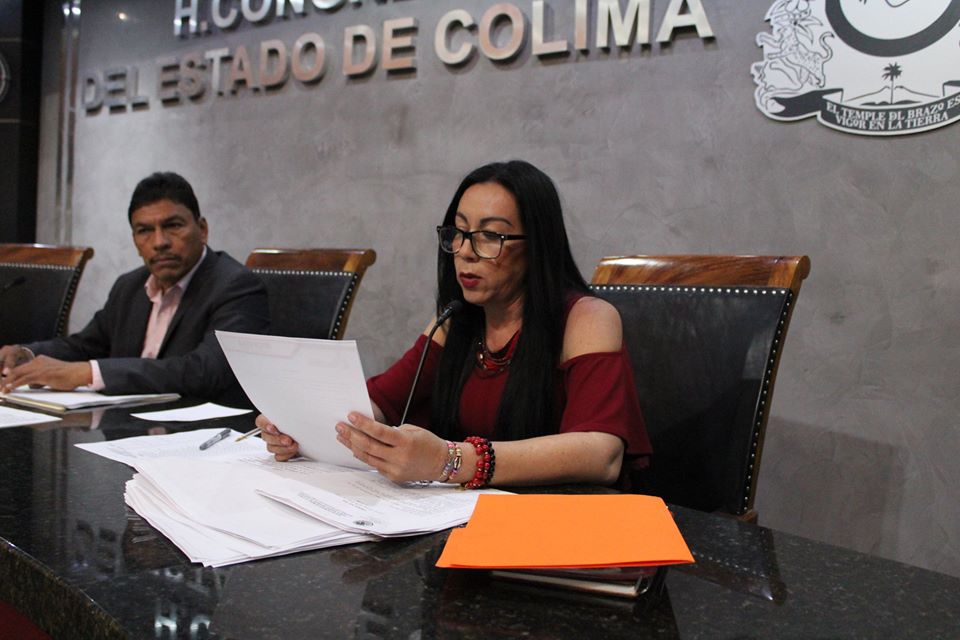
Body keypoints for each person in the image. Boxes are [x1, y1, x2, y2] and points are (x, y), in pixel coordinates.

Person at [258, 160, 651, 487]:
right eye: (459, 232)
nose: (464, 251)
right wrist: (300, 424)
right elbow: (382, 403)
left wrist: (450, 460)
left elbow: (601, 454)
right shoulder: (455, 319)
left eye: (490, 236)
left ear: (537, 247)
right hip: (468, 517)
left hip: (558, 525)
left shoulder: (586, 318)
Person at [0, 172, 269, 406]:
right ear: (135, 240)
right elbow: (84, 346)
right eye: (144, 230)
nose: (160, 242)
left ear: (202, 229)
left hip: (205, 435)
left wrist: (87, 373)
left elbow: (204, 371)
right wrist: (27, 354)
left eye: (173, 226)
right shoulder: (129, 286)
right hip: (127, 427)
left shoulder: (236, 286)